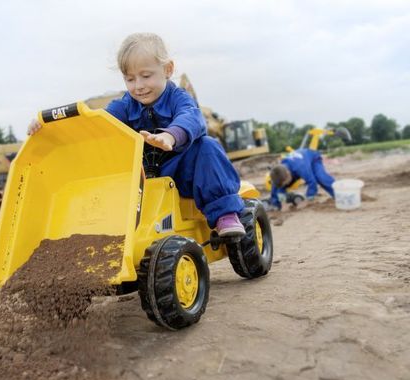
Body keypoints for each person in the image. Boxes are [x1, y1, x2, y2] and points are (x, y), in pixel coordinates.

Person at [28, 32, 245, 237]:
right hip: (143, 177)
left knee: (207, 146)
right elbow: (97, 122)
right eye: (130, 79)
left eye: (146, 76)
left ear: (168, 69)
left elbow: (191, 117)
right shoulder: (125, 105)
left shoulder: (178, 98)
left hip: (183, 171)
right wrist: (52, 127)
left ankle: (225, 214)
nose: (138, 86)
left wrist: (170, 136)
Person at [269, 148, 335, 210]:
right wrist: (283, 203)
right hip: (296, 164)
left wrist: (307, 200)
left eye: (286, 182)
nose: (286, 185)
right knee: (277, 185)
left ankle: (336, 194)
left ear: (288, 173)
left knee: (321, 178)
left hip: (313, 159)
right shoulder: (280, 170)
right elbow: (280, 186)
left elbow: (312, 182)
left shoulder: (300, 168)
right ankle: (275, 204)